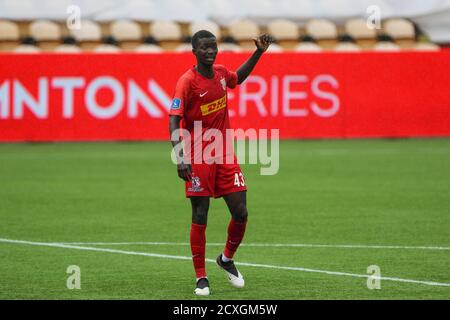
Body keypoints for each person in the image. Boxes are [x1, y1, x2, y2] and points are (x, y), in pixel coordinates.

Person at [169, 30, 272, 296]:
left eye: (213, 47)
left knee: (241, 212)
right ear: (194, 51)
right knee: (200, 215)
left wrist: (259, 52)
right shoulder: (186, 82)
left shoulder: (222, 73)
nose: (210, 51)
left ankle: (226, 259)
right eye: (204, 48)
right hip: (198, 156)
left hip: (224, 154)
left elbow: (238, 78)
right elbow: (173, 120)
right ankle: (201, 277)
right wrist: (180, 157)